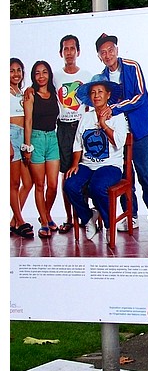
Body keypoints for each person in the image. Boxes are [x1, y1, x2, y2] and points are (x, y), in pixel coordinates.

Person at [95, 33, 148, 237]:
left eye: (110, 50)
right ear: (99, 56)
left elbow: (140, 97)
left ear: (117, 50)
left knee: (145, 175)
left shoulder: (132, 66)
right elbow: (101, 103)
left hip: (139, 131)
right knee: (125, 178)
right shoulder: (102, 77)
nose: (108, 54)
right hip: (118, 135)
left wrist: (115, 108)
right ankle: (131, 216)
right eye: (103, 52)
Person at [64, 74, 129, 243]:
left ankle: (109, 224)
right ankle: (88, 218)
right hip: (87, 164)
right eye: (93, 92)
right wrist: (74, 164)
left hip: (110, 166)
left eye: (100, 91)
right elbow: (78, 143)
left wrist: (103, 124)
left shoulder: (118, 116)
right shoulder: (85, 117)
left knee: (97, 187)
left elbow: (119, 142)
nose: (96, 95)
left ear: (108, 95)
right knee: (70, 185)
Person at [54, 34, 92, 234]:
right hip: (64, 128)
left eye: (72, 48)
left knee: (83, 172)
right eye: (65, 49)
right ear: (61, 53)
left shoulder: (86, 76)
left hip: (82, 127)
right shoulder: (55, 76)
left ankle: (84, 217)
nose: (69, 52)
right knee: (66, 175)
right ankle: (70, 218)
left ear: (78, 51)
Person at [22, 60, 60, 239]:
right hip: (36, 139)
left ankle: (46, 213)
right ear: (33, 76)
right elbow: (28, 121)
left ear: (49, 74)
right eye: (37, 73)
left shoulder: (54, 93)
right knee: (40, 185)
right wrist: (27, 147)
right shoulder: (30, 95)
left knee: (52, 185)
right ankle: (45, 222)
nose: (41, 76)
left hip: (52, 138)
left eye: (44, 72)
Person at [9, 57, 34, 238]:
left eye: (19, 70)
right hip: (10, 135)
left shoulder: (20, 92)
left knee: (28, 182)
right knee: (14, 183)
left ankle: (13, 222)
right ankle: (20, 221)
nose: (16, 73)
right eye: (11, 70)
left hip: (22, 137)